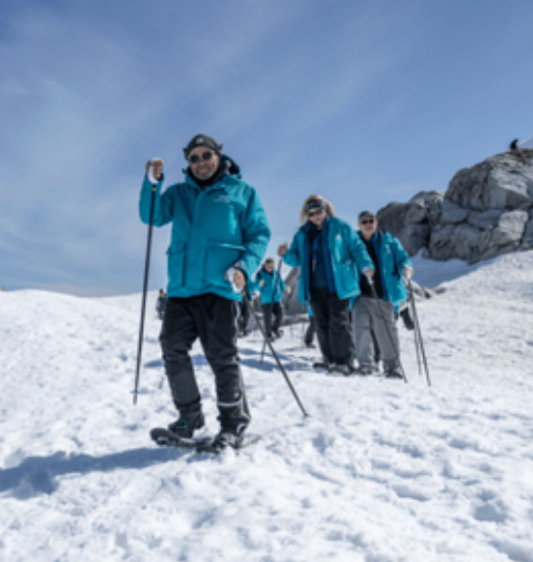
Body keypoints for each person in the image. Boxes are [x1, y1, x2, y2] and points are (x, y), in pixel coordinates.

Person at [141, 134, 270, 451]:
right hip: (182, 288)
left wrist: (243, 267)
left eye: (206, 155)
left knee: (222, 358)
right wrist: (151, 184)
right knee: (172, 347)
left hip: (221, 287)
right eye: (193, 158)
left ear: (219, 156)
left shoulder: (241, 192)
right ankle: (190, 418)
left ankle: (233, 425)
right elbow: (153, 216)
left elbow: (258, 234)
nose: (200, 162)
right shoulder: (178, 193)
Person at [277, 195, 374, 375]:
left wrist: (366, 265)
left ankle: (344, 362)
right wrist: (286, 254)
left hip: (339, 283)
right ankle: (329, 359)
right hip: (314, 286)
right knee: (322, 323)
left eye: (319, 211)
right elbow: (295, 258)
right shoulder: (303, 234)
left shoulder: (340, 227)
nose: (315, 216)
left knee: (339, 321)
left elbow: (357, 248)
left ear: (326, 209)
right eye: (311, 213)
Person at [353, 211, 412, 378]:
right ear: (359, 225)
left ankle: (392, 367)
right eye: (364, 221)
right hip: (360, 295)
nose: (368, 224)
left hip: (383, 293)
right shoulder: (353, 242)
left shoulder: (388, 240)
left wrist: (406, 267)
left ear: (376, 222)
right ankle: (366, 365)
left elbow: (402, 257)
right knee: (360, 329)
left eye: (371, 221)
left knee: (386, 331)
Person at [253, 258, 286, 340]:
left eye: (272, 265)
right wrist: (259, 285)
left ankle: (274, 329)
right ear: (265, 265)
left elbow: (281, 284)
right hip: (266, 300)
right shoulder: (260, 274)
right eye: (268, 265)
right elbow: (255, 287)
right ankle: (268, 336)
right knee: (267, 319)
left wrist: (285, 289)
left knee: (280, 315)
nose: (270, 267)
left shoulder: (277, 273)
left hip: (276, 298)